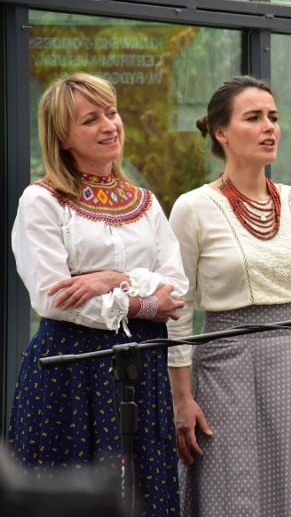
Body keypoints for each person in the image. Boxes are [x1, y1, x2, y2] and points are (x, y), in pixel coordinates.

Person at [167, 75, 291, 516]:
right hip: (226, 367)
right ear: (221, 132)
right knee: (237, 492)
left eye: (273, 117)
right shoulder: (192, 207)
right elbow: (178, 311)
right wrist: (181, 398)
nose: (270, 127)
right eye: (254, 118)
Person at [8, 73, 188, 516]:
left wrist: (107, 278)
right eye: (91, 119)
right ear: (63, 138)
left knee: (144, 490)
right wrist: (143, 299)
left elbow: (176, 290)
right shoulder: (42, 201)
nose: (110, 125)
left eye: (111, 112)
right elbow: (54, 298)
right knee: (68, 487)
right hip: (70, 366)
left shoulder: (144, 202)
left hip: (140, 365)